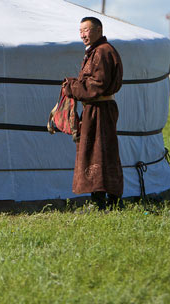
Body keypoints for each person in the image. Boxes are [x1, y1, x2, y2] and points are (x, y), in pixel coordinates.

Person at [63, 16, 124, 210]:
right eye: (80, 31)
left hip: (100, 110)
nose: (82, 35)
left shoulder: (103, 52)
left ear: (98, 30)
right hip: (94, 110)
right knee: (97, 153)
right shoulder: (96, 52)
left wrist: (72, 88)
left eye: (86, 30)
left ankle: (104, 202)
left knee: (99, 153)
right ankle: (104, 200)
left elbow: (97, 85)